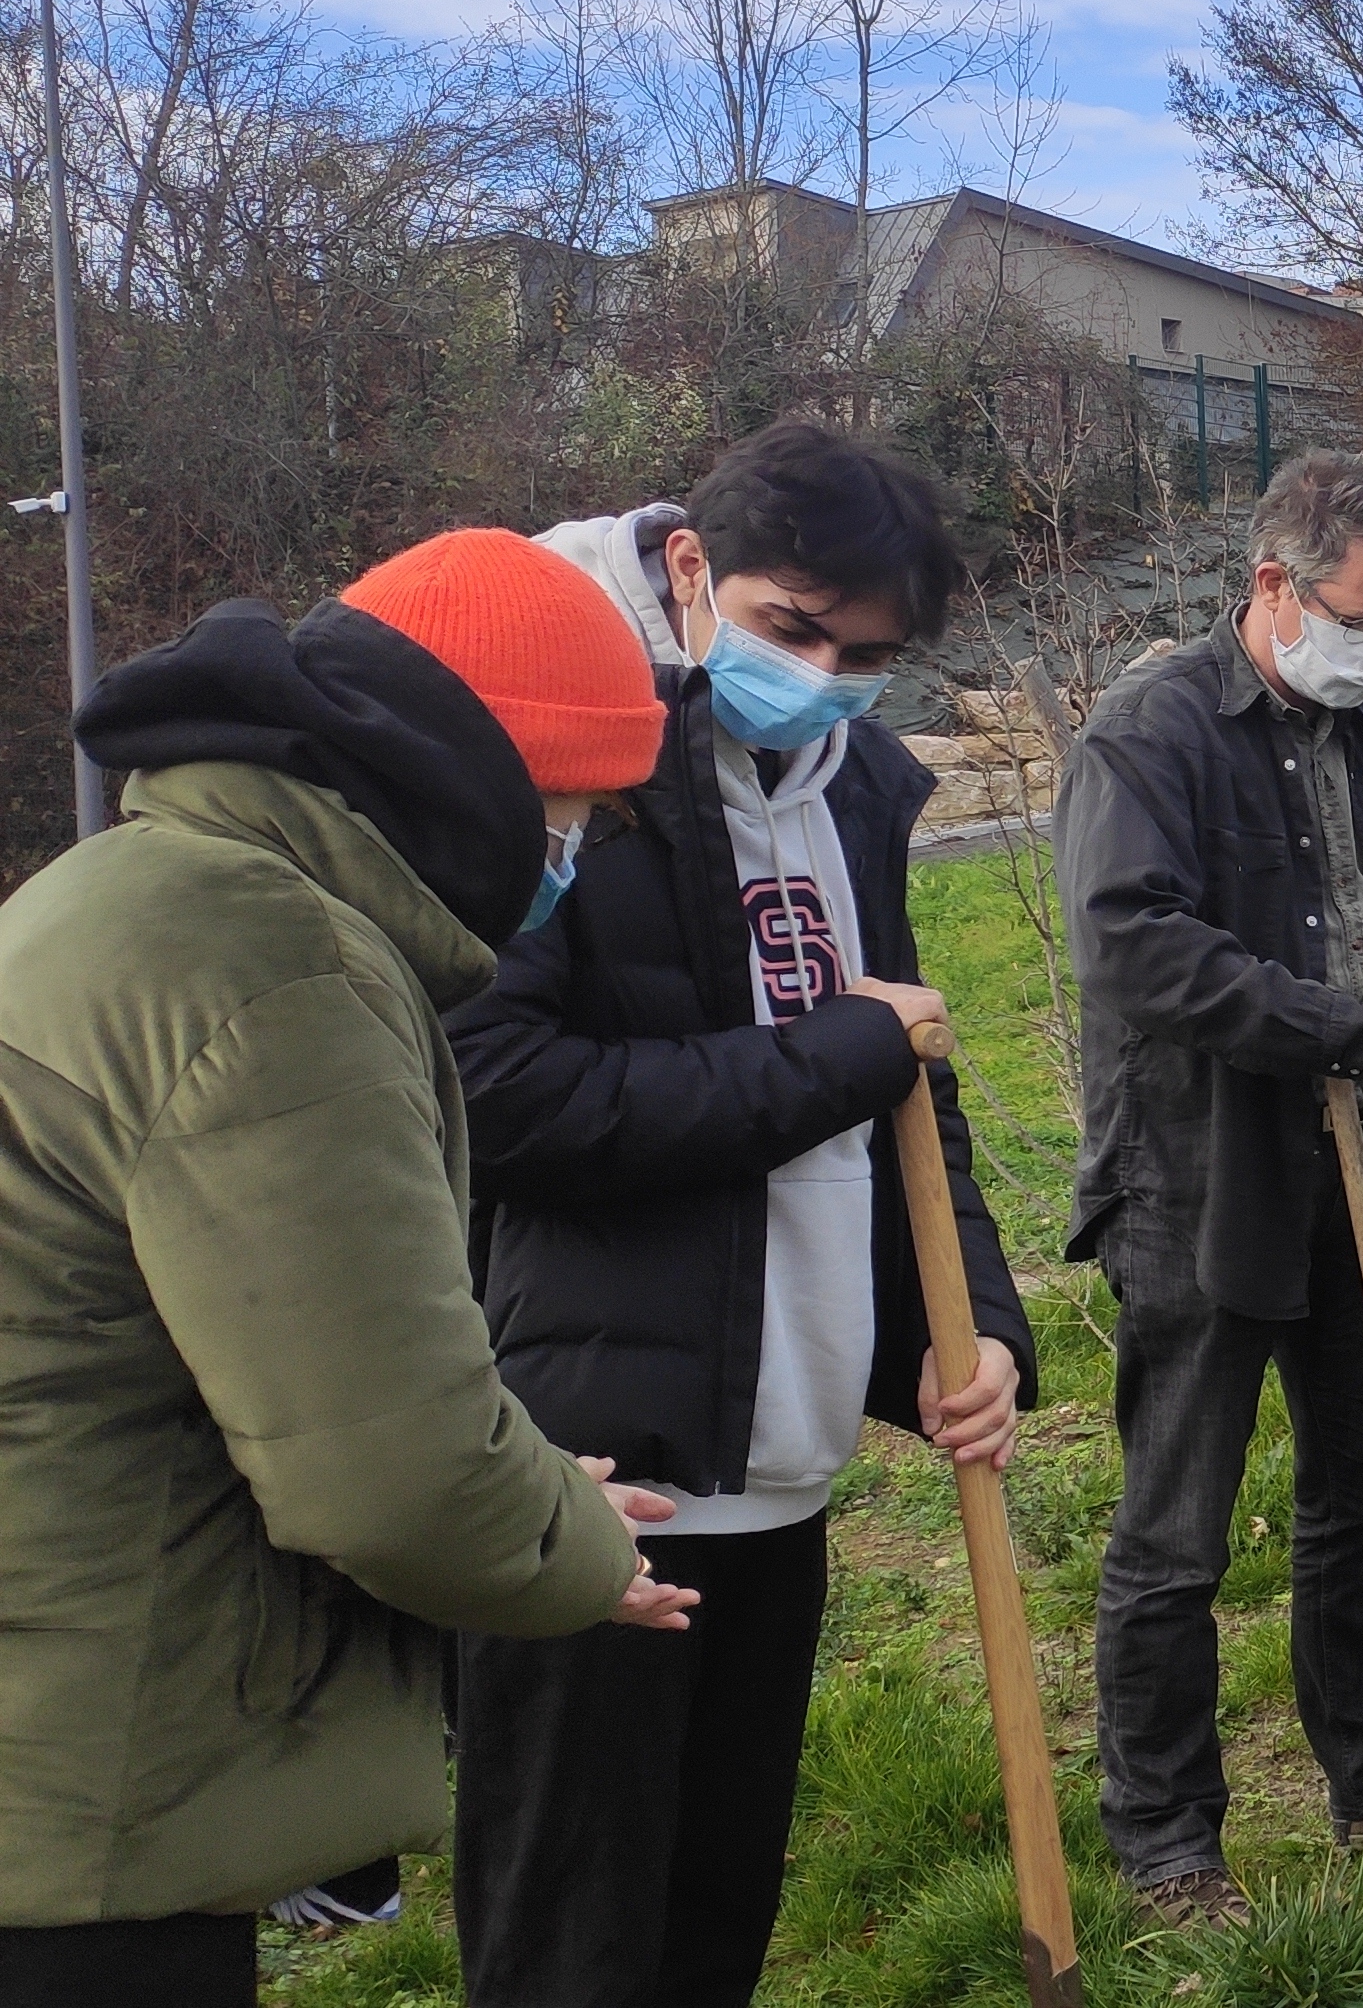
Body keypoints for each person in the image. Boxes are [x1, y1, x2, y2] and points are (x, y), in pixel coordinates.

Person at [0, 531, 694, 2008]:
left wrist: (509, 1471)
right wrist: (578, 1544)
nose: (573, 860)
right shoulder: (279, 967)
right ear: (485, 780)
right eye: (576, 817)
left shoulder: (138, 888)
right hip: (81, 1796)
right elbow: (388, 1470)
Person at [442, 422, 1034, 2008]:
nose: (826, 676)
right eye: (794, 629)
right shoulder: (561, 758)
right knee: (575, 1946)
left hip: (784, 1458)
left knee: (716, 1925)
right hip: (598, 1475)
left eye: (869, 656)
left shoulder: (859, 792)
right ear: (693, 566)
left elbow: (912, 1084)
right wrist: (839, 1051)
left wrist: (972, 1326)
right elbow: (501, 1097)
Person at [1056, 449, 1363, 1924]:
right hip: (1202, 1171)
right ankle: (1165, 1836)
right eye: (1362, 620)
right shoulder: (1149, 735)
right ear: (1276, 584)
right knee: (1177, 1525)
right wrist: (1360, 1026)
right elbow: (1137, 949)